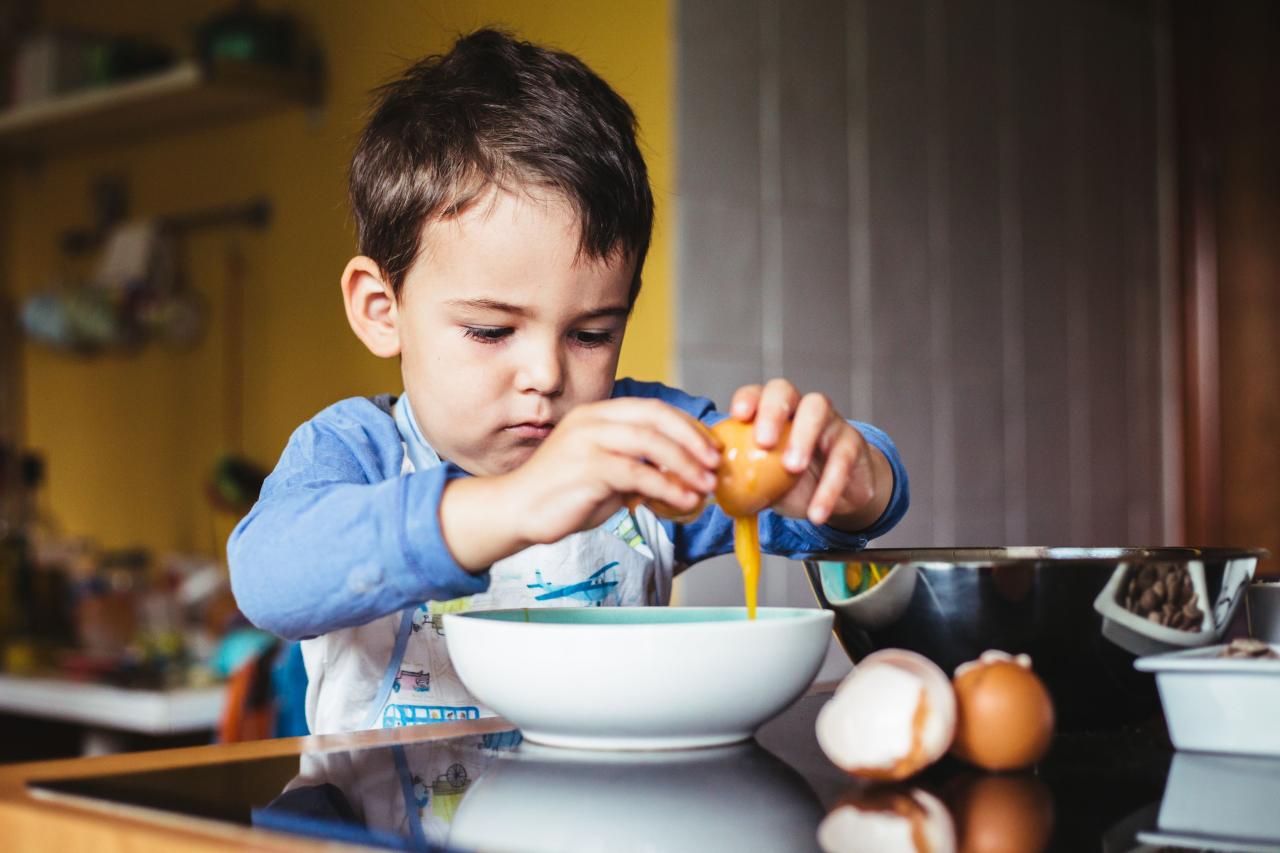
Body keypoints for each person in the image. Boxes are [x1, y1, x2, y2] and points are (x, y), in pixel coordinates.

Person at [228, 29, 909, 735]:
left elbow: (819, 502)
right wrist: (513, 504)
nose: (547, 375)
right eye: (490, 330)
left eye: (590, 335)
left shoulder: (637, 442)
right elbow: (270, 579)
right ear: (381, 310)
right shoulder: (358, 451)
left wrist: (850, 480)